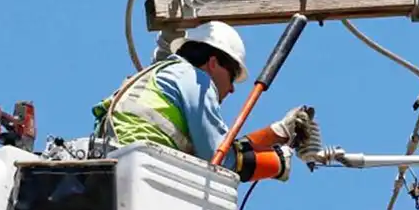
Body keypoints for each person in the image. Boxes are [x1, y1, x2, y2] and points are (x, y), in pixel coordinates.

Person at [93, 21, 305, 182]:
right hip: (145, 171)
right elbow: (220, 159)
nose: (231, 88)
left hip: (114, 171)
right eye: (231, 77)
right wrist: (277, 163)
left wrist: (276, 134)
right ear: (213, 63)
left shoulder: (162, 74)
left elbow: (223, 147)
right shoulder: (195, 79)